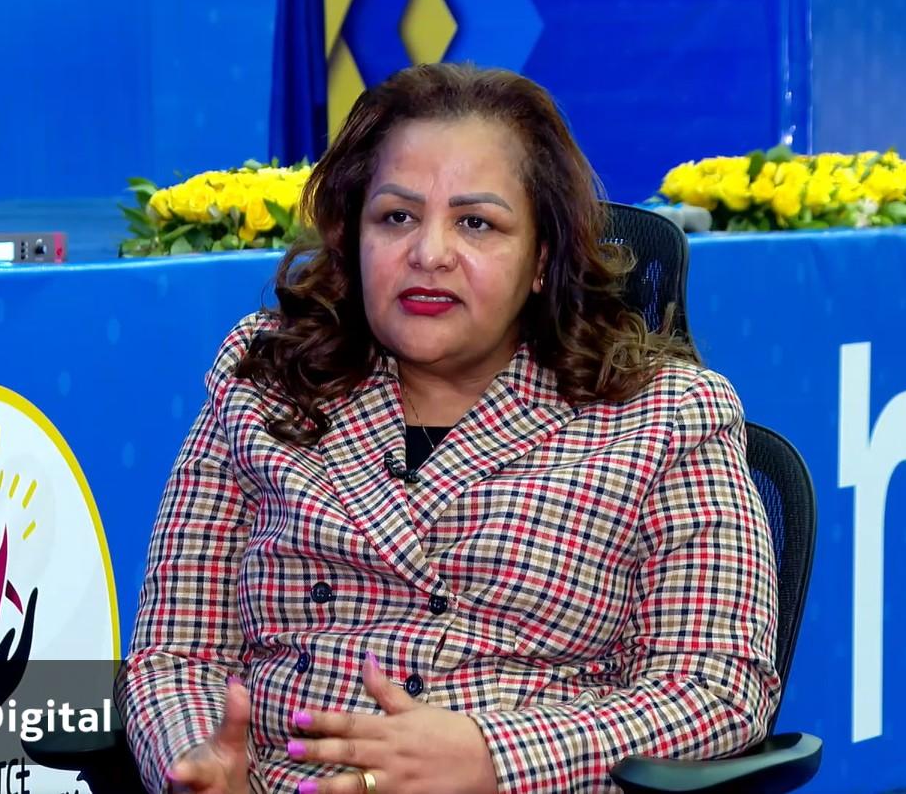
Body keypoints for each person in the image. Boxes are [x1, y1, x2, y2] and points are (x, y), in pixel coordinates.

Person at [116, 62, 780, 794]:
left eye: (476, 223)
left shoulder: (665, 414)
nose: (428, 253)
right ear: (353, 237)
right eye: (396, 217)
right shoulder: (265, 380)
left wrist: (494, 755)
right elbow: (175, 655)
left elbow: (717, 689)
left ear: (542, 259)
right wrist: (199, 759)